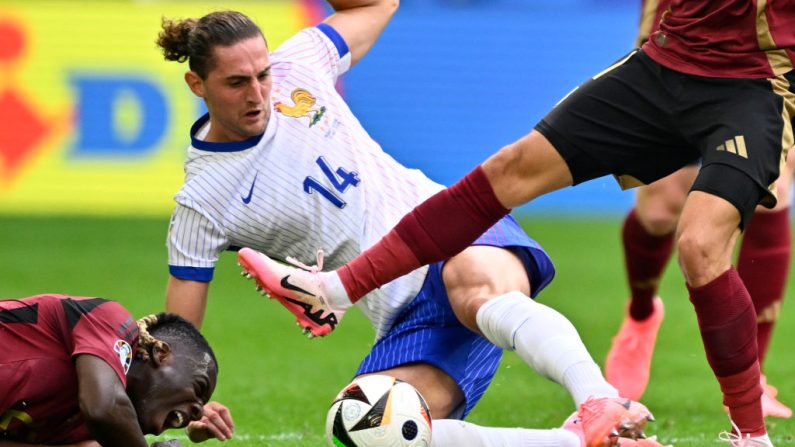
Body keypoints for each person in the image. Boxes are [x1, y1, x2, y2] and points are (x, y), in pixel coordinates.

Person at [242, 1, 795, 445]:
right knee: (513, 170)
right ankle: (333, 287)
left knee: (700, 244)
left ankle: (749, 434)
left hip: (750, 88)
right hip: (662, 64)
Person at [159, 4, 666, 446]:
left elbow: (377, 5)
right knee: (363, 427)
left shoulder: (300, 65)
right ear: (196, 84)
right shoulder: (202, 201)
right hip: (406, 315)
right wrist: (193, 402)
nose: (258, 93)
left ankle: (600, 401)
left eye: (262, 74)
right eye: (236, 82)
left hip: (449, 233)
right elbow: (181, 333)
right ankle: (582, 441)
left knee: (474, 289)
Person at [603, 0, 793, 419]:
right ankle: (640, 314)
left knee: (772, 186)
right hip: (692, 34)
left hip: (773, 46)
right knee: (659, 208)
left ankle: (753, 374)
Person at [0, 294, 217, 447]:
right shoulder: (110, 320)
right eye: (199, 386)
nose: (199, 410)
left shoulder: (80, 427)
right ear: (160, 353)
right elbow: (105, 407)